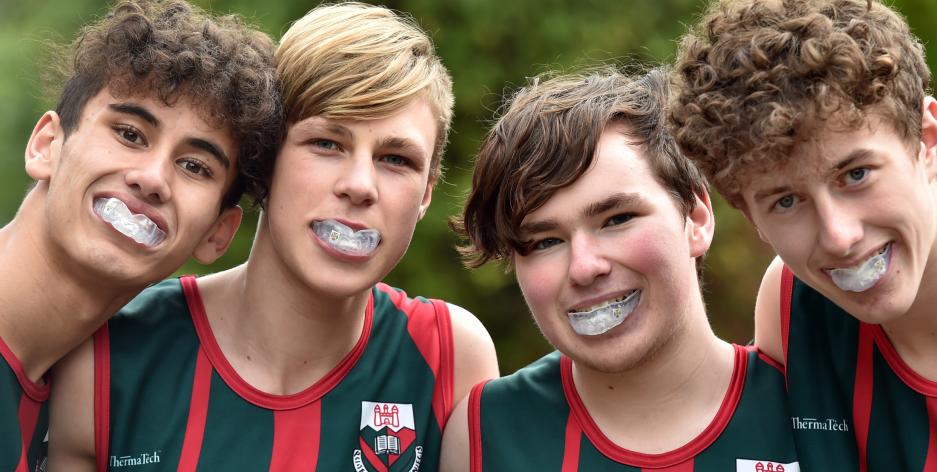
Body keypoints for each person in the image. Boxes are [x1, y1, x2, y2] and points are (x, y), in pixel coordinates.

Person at [47, 2, 499, 471]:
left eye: (395, 160)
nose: (361, 185)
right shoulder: (111, 351)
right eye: (326, 143)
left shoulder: (450, 356)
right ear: (263, 163)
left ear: (426, 193)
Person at [668, 0, 937, 469]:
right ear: (751, 219)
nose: (840, 237)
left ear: (927, 140)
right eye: (785, 201)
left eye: (856, 174)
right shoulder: (790, 307)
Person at [440, 68, 797, 471]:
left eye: (617, 219)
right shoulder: (482, 435)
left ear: (696, 219)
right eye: (545, 242)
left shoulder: (813, 405)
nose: (584, 268)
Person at [0, 0, 280, 469]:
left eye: (194, 166)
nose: (152, 178)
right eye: (130, 134)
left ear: (216, 234)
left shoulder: (75, 402)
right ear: (47, 146)